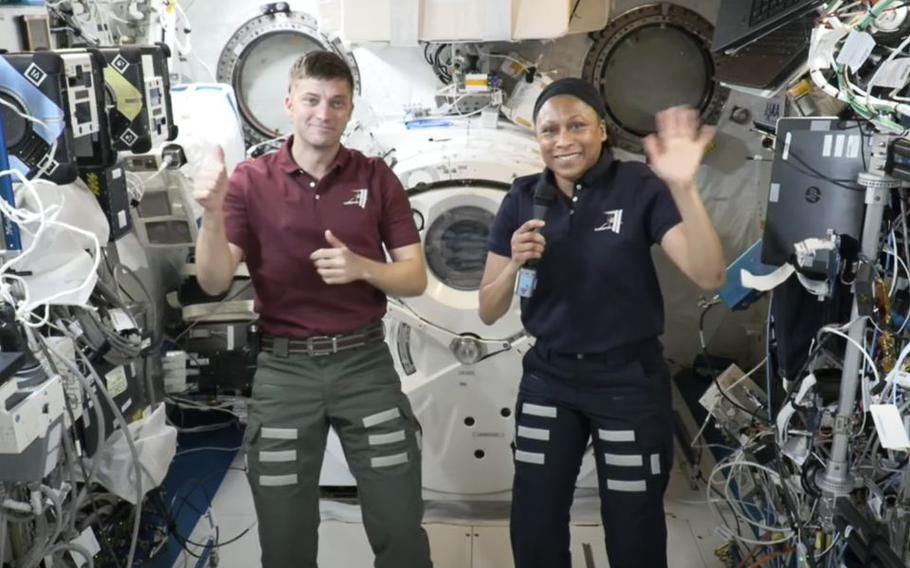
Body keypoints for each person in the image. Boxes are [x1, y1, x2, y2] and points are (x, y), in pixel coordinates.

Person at [192, 50, 433, 568]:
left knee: (400, 526)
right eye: (311, 99)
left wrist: (362, 268)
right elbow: (213, 281)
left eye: (336, 102)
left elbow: (414, 277)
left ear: (350, 110)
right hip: (284, 372)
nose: (323, 112)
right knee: (285, 538)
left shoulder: (375, 179)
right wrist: (211, 217)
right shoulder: (250, 182)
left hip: (364, 365)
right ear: (289, 104)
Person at [478, 78, 726, 568]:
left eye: (577, 126)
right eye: (549, 130)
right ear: (538, 140)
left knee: (634, 521)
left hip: (627, 383)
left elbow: (709, 273)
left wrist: (682, 185)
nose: (563, 139)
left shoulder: (638, 187)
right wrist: (512, 264)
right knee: (536, 518)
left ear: (602, 131)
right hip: (550, 379)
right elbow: (487, 308)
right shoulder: (523, 198)